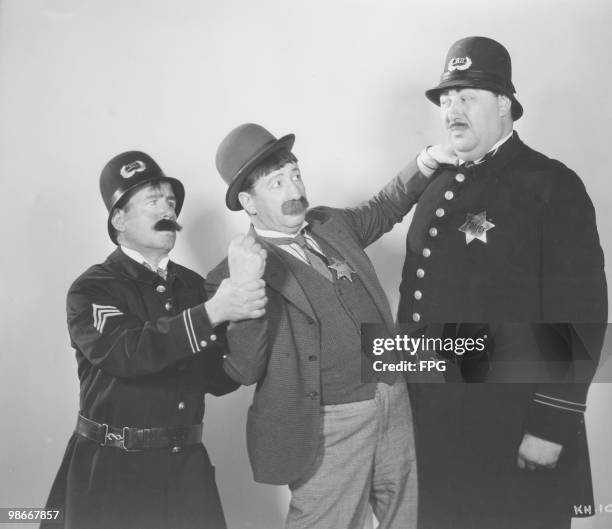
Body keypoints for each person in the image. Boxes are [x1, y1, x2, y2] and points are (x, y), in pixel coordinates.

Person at [397, 36, 608, 529]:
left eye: (467, 96)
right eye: (447, 100)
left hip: (514, 429)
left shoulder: (552, 184)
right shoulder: (437, 185)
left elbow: (582, 316)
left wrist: (552, 423)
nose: (453, 110)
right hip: (436, 429)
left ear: (505, 106)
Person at [206, 123, 450, 529]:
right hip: (328, 426)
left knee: (407, 519)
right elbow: (244, 368)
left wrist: (425, 162)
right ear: (248, 202)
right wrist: (245, 284)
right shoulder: (230, 275)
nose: (294, 190)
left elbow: (385, 206)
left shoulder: (330, 224)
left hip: (394, 399)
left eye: (296, 174)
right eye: (277, 182)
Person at [41, 151, 268, 529]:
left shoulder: (193, 286)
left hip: (186, 470)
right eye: (152, 200)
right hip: (112, 471)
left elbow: (218, 379)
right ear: (118, 219)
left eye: (171, 201)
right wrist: (216, 311)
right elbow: (128, 353)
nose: (168, 209)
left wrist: (252, 313)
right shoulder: (93, 289)